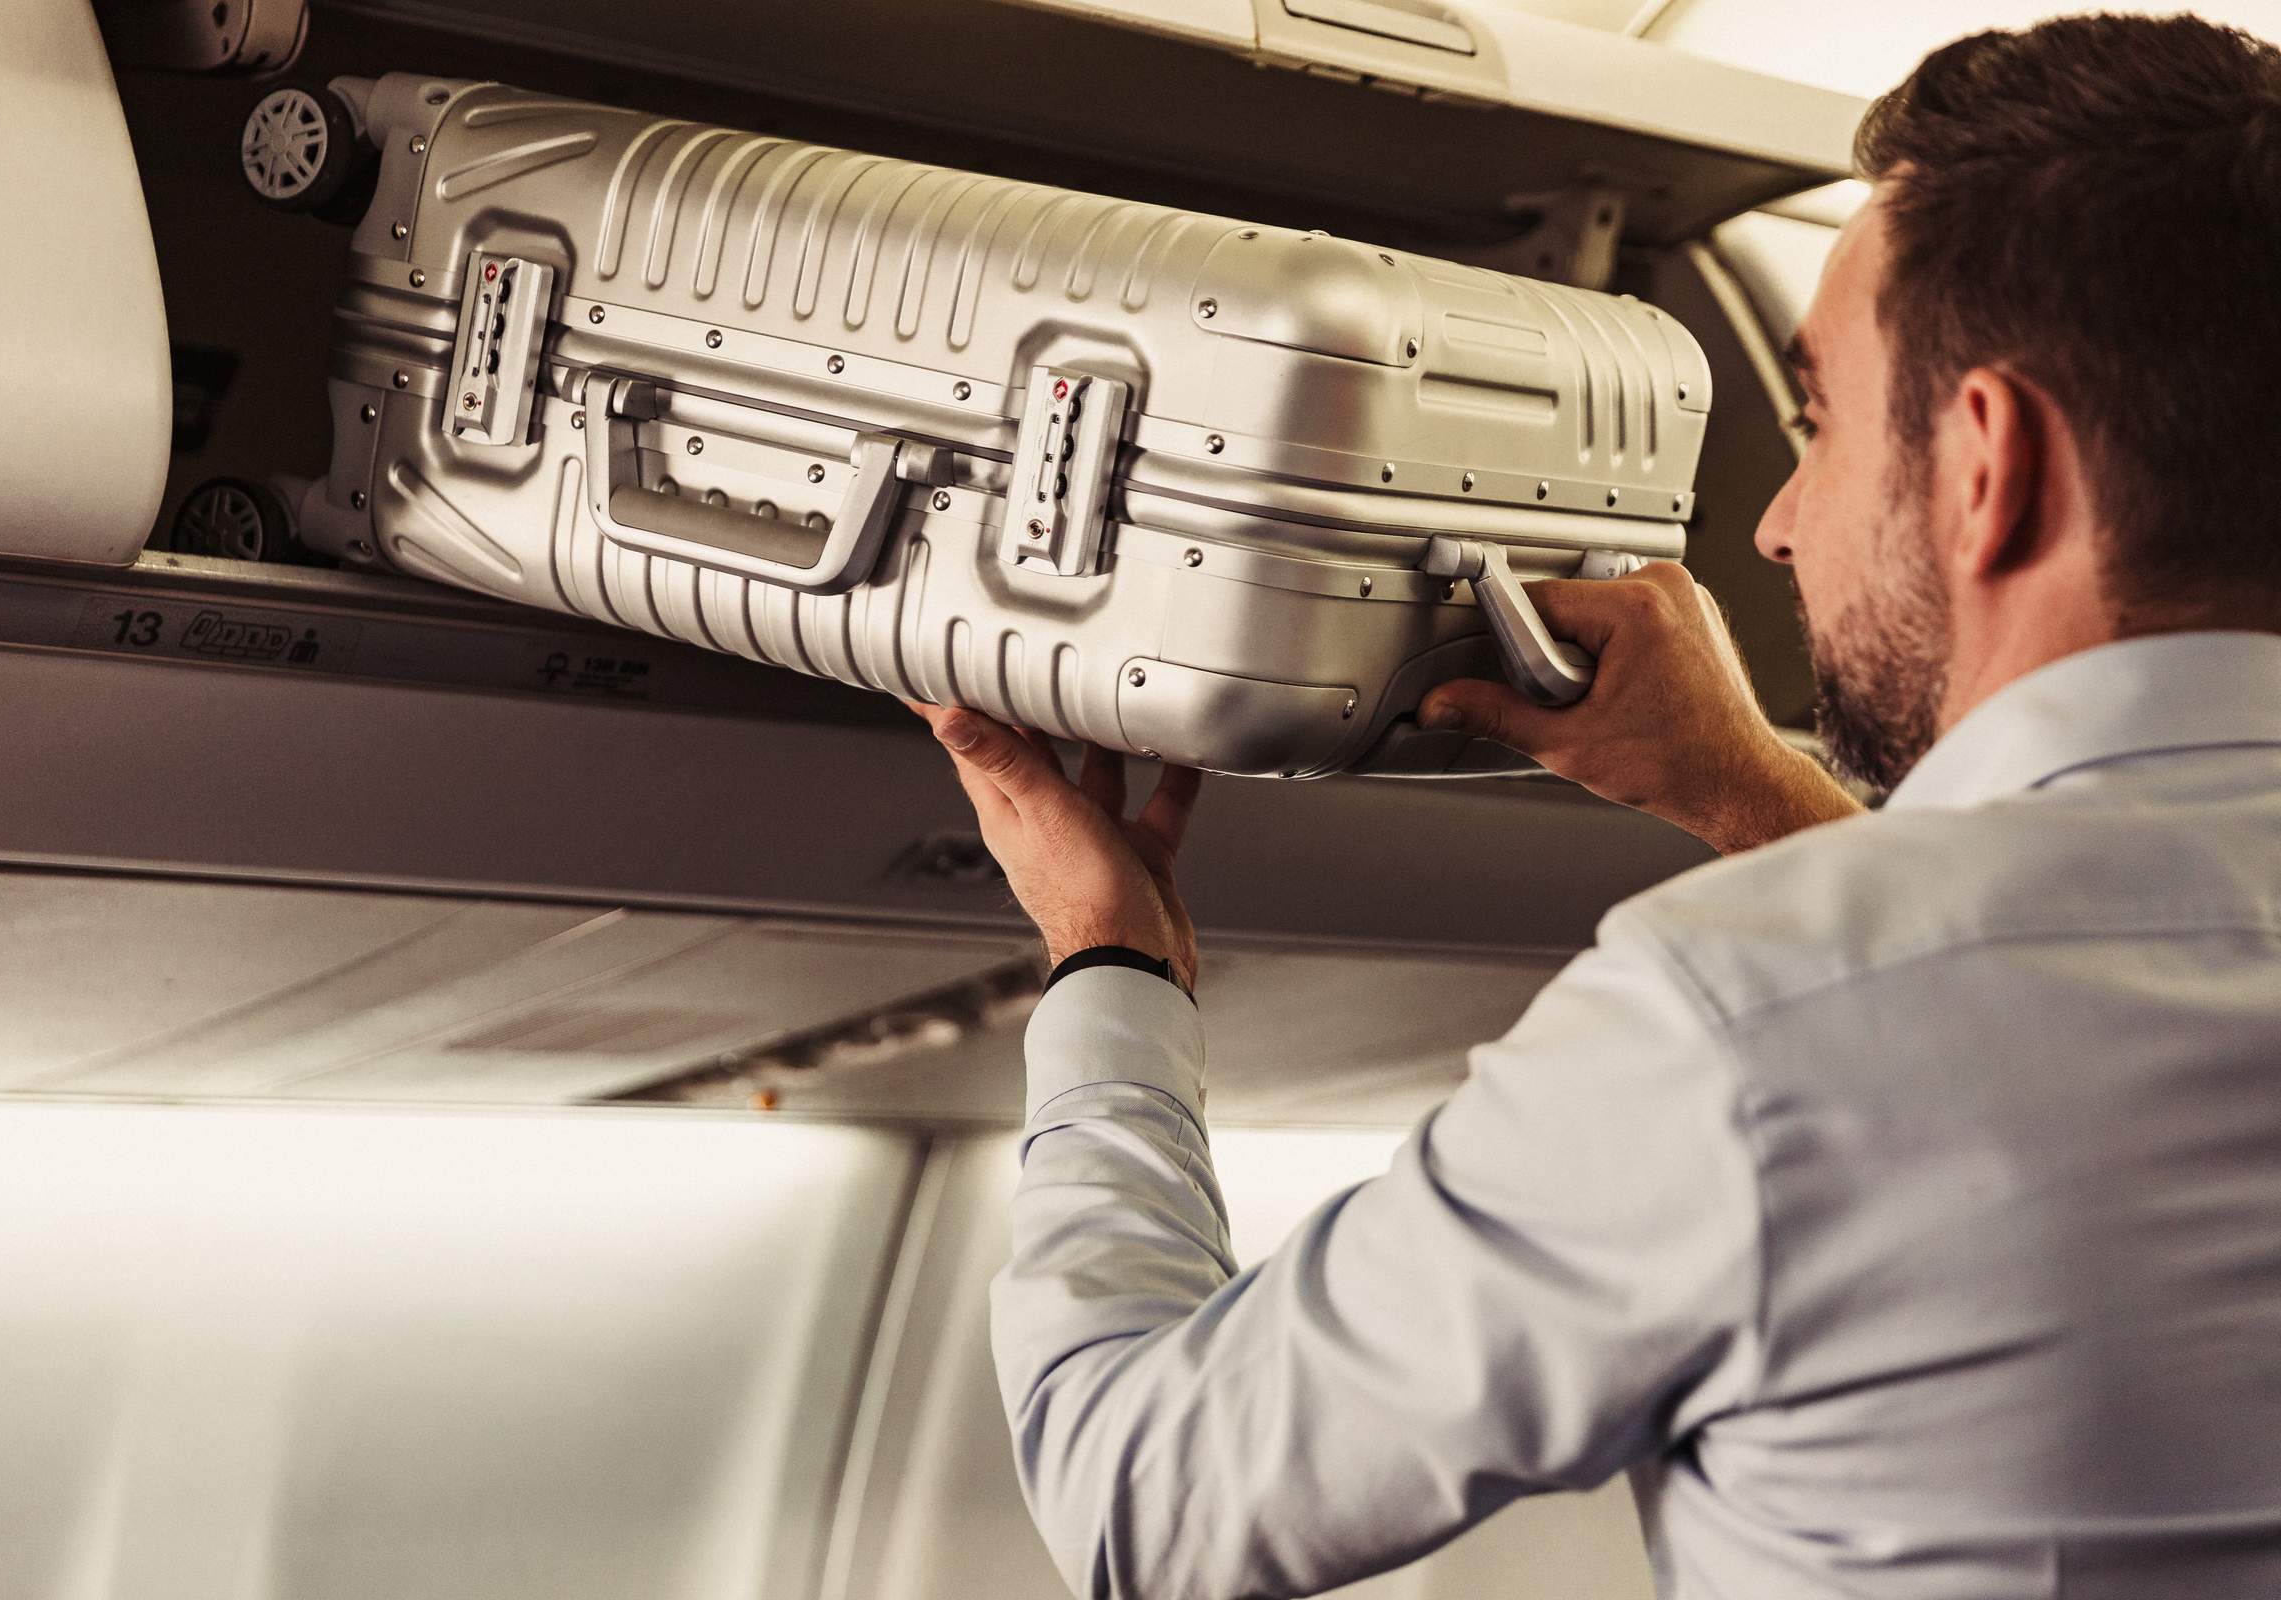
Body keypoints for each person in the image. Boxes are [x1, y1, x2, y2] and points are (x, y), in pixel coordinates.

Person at [907, 13, 2281, 1598]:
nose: (1774, 528)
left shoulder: (1743, 1021)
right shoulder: (1828, 1007)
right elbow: (2011, 1023)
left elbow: (1143, 1488)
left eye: (1821, 421)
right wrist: (1749, 788)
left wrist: (1108, 967)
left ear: (1991, 466)